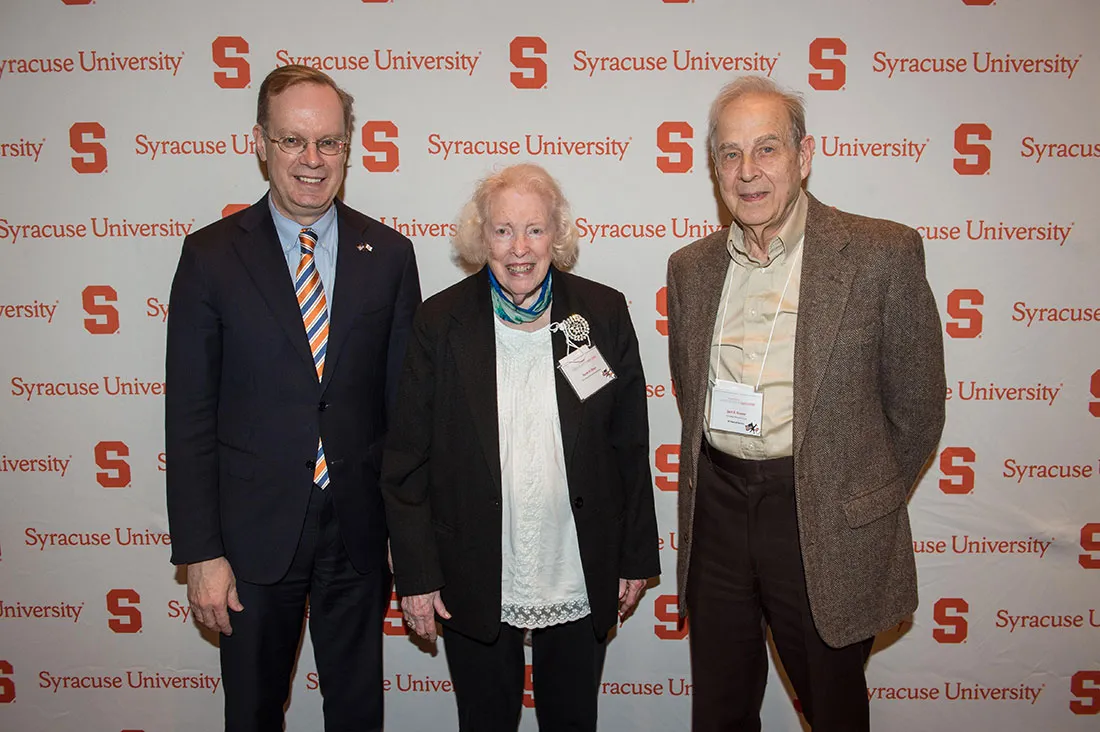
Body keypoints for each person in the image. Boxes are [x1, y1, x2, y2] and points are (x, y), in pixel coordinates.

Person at [666, 76, 946, 731]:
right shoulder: (691, 268)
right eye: (730, 154)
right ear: (714, 168)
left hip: (818, 515)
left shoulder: (881, 253)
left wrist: (853, 497)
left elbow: (918, 407)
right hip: (719, 512)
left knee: (834, 708)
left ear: (804, 157)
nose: (748, 171)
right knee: (721, 710)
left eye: (767, 149)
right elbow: (691, 389)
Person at [165, 64, 421, 732]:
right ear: (259, 143)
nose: (312, 160)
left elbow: (405, 411)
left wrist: (410, 534)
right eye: (292, 141)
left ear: (348, 147)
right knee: (251, 711)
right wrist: (202, 553)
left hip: (361, 534)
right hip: (249, 538)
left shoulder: (390, 254)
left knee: (359, 710)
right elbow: (189, 414)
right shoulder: (210, 257)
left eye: (329, 142)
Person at [381, 163, 660, 732]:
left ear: (557, 234)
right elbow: (406, 461)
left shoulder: (601, 313)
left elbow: (629, 446)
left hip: (577, 565)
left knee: (573, 721)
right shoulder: (439, 321)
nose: (519, 249)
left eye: (534, 230)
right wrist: (415, 574)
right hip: (474, 569)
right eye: (503, 230)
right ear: (480, 235)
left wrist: (634, 555)